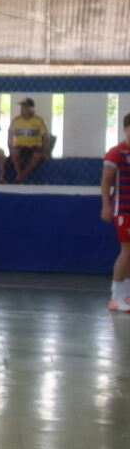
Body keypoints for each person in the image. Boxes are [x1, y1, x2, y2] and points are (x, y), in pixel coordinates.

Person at [101, 113, 130, 312]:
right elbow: (105, 180)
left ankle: (126, 295)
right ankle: (115, 297)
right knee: (126, 251)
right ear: (126, 129)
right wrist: (106, 205)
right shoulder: (116, 152)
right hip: (123, 209)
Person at [9, 97, 52, 184]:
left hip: (35, 146)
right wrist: (11, 149)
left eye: (25, 107)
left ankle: (21, 177)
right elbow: (10, 137)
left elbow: (46, 137)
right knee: (14, 154)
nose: (22, 109)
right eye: (22, 107)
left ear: (31, 108)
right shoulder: (16, 120)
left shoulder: (39, 120)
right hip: (20, 146)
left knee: (37, 155)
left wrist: (46, 152)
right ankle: (20, 175)